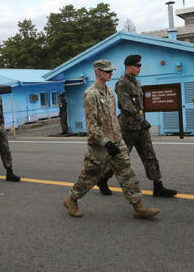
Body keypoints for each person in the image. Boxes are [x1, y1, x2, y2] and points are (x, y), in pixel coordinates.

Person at [63, 59, 159, 219]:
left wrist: (117, 139)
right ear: (98, 72)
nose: (110, 73)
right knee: (90, 175)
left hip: (116, 141)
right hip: (100, 145)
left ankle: (138, 207)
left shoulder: (110, 93)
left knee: (127, 173)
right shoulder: (90, 94)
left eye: (111, 71)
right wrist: (106, 142)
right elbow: (92, 125)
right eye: (107, 71)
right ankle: (71, 199)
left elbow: (113, 118)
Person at [96, 54, 177, 198]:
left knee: (150, 155)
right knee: (120, 157)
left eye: (140, 65)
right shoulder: (122, 83)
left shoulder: (136, 83)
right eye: (137, 65)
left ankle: (158, 186)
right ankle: (102, 179)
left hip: (140, 126)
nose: (140, 68)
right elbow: (126, 105)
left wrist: (142, 120)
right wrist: (141, 119)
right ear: (128, 66)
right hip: (128, 127)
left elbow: (139, 104)